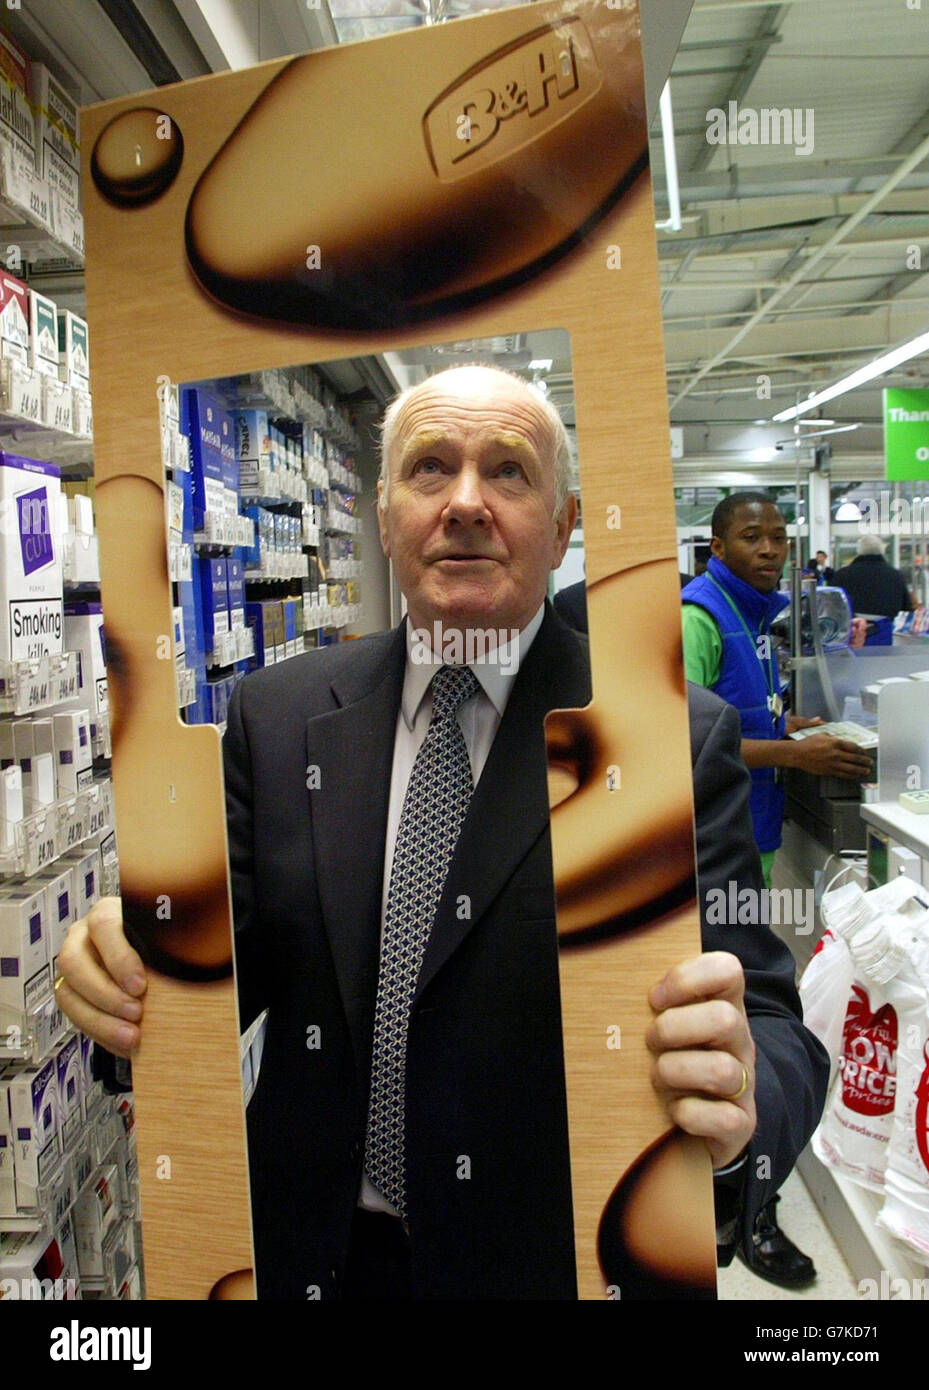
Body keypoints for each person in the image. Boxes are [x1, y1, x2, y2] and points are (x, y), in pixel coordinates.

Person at [57, 369, 827, 1300]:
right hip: (310, 1260)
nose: (465, 503)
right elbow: (216, 976)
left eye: (508, 472)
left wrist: (747, 1098)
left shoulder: (665, 738)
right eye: (429, 470)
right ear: (384, 517)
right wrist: (125, 980)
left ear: (564, 525)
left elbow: (777, 1029)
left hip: (546, 1266)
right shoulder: (279, 717)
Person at [681, 492, 870, 1289]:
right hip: (710, 846)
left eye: (777, 537)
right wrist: (791, 760)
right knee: (741, 1004)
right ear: (716, 543)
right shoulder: (700, 616)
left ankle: (754, 1187)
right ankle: (748, 1211)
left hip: (746, 837)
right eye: (749, 536)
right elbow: (679, 730)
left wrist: (789, 731)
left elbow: (737, 712)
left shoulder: (751, 614)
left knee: (763, 993)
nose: (768, 548)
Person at [832, 534, 915, 646]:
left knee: (852, 661)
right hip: (883, 630)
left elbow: (833, 605)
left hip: (852, 630)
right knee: (881, 661)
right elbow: (906, 605)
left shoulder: (842, 574)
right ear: (881, 550)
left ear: (859, 550)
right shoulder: (894, 575)